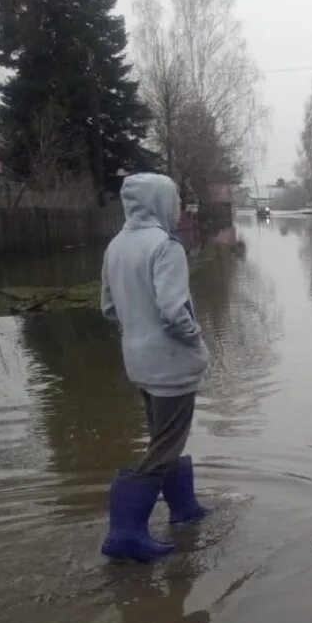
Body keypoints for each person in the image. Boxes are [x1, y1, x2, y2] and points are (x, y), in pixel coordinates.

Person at [99, 173, 210, 562]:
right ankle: (126, 534)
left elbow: (109, 308)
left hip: (139, 361)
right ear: (160, 202)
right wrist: (195, 337)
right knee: (166, 444)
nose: (177, 207)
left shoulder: (117, 245)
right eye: (174, 199)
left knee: (163, 436)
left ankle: (184, 510)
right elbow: (173, 311)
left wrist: (138, 330)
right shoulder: (166, 247)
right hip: (171, 363)